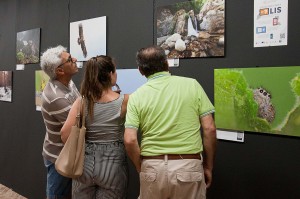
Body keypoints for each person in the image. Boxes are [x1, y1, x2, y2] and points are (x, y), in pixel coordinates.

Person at [124, 45, 216, 199]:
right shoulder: (192, 85)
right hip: (188, 166)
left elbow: (130, 139)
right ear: (166, 63)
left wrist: (142, 168)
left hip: (152, 167)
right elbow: (209, 129)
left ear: (140, 70)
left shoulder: (136, 97)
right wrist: (208, 166)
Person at [61, 55, 129, 198]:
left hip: (84, 165)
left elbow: (65, 135)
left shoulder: (81, 101)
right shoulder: (125, 101)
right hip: (113, 164)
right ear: (110, 74)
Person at [40, 45, 80, 199]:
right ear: (60, 71)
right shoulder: (55, 97)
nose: (75, 59)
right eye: (70, 60)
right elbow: (80, 123)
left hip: (67, 153)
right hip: (59, 157)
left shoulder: (68, 83)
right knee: (58, 195)